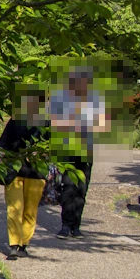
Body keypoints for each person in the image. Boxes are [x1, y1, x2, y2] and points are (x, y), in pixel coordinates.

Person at [47, 67, 109, 238]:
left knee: (81, 190)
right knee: (67, 188)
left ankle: (76, 225)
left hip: (86, 153)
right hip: (66, 152)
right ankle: (66, 225)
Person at [0, 94, 49, 259]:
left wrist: (44, 154)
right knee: (14, 208)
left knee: (30, 210)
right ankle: (14, 244)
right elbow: (3, 145)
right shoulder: (15, 121)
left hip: (37, 173)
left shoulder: (48, 124)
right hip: (14, 171)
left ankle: (24, 244)